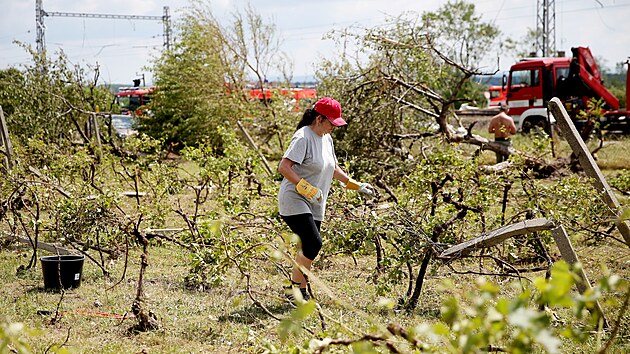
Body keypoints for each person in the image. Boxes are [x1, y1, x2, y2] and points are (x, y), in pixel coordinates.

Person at [277, 97, 373, 302]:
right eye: (332, 123)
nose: (334, 128)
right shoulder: (303, 137)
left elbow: (333, 169)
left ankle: (299, 293)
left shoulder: (327, 139)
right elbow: (284, 167)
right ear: (319, 119)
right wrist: (306, 188)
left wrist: (356, 185)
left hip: (316, 201)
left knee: (307, 247)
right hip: (294, 198)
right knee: (314, 242)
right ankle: (292, 291)